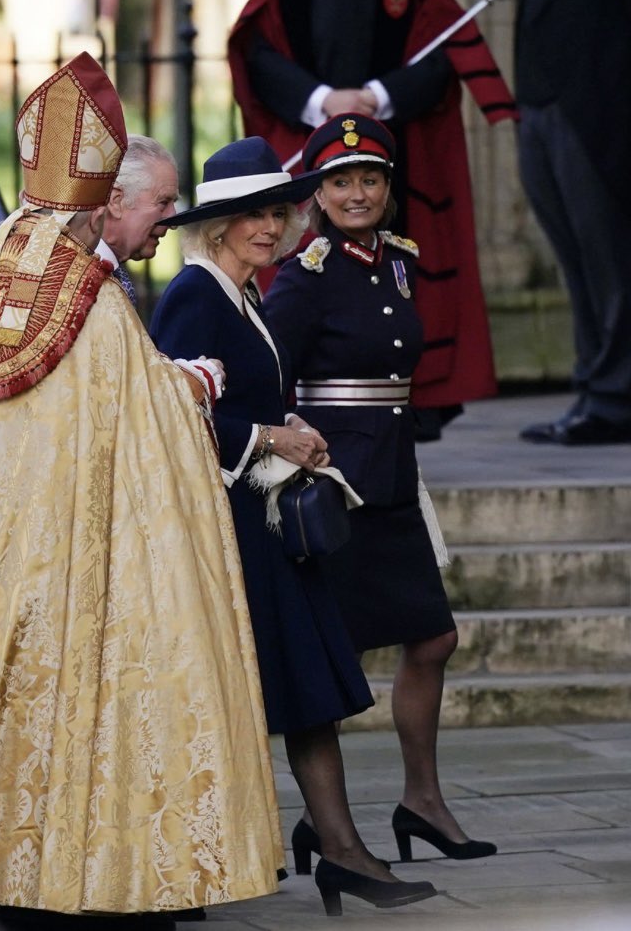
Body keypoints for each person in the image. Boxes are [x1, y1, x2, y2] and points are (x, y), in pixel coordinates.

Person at [0, 54, 282, 929]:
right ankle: (85, 876)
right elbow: (138, 414)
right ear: (104, 198)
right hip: (74, 570)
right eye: (157, 206)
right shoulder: (87, 292)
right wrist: (191, 386)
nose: (166, 222)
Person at [149, 136, 438, 916]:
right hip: (228, 532)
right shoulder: (195, 294)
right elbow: (167, 419)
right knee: (245, 699)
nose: (270, 227)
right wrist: (266, 437)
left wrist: (288, 425)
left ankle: (342, 851)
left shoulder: (244, 293)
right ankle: (195, 866)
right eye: (252, 215)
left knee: (310, 690)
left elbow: (239, 399)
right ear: (217, 225)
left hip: (265, 524)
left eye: (277, 211)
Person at [263, 114, 497, 868]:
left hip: (393, 477)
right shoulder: (306, 273)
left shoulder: (396, 262)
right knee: (334, 659)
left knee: (435, 637)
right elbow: (271, 375)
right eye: (340, 181)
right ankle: (322, 822)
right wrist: (293, 440)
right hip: (337, 486)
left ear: (388, 188)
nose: (356, 193)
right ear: (317, 193)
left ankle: (420, 800)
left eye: (369, 179)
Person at [227, 0, 518, 439]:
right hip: (312, 147)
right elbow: (258, 52)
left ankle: (409, 397)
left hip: (396, 152)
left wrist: (378, 97)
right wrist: (324, 100)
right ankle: (298, 395)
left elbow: (441, 51)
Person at [516, 0, 631, 445]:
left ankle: (614, 401)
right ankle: (591, 390)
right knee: (576, 260)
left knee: (608, 258)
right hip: (537, 109)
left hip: (596, 112)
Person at [96, 134, 180, 306]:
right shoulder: (78, 281)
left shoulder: (109, 276)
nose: (173, 219)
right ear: (116, 201)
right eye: (163, 202)